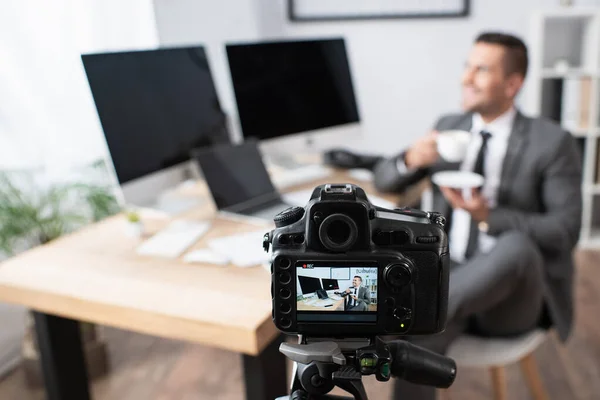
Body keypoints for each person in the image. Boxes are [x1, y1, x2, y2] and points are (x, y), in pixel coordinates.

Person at [373, 32, 582, 399]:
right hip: (449, 280)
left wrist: (490, 216)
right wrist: (410, 159)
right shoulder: (449, 126)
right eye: (466, 67)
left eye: (481, 70)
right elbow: (383, 179)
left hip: (509, 301)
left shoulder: (551, 142)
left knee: (517, 246)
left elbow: (565, 232)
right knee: (424, 337)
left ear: (512, 84)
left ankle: (398, 315)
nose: (465, 79)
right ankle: (417, 313)